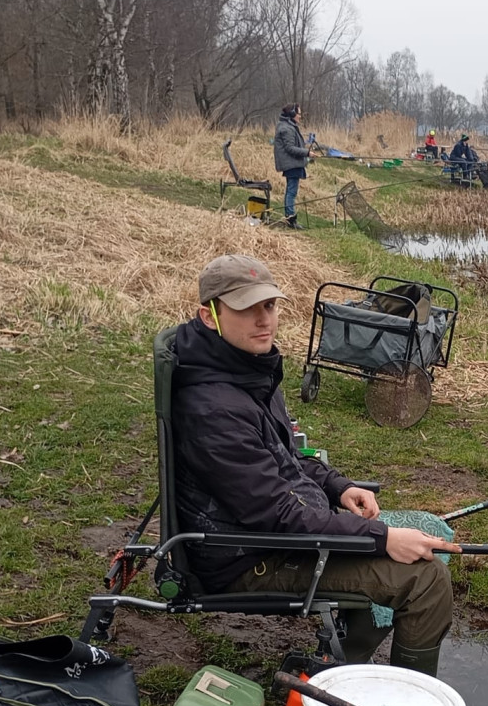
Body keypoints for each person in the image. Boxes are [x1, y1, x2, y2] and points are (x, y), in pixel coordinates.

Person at [170, 254, 461, 676]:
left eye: (269, 305)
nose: (264, 320)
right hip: (246, 557)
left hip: (269, 534)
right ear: (209, 316)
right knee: (426, 580)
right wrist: (382, 538)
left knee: (412, 548)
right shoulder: (214, 408)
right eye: (246, 309)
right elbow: (279, 515)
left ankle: (346, 669)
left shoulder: (243, 368)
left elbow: (285, 455)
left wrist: (339, 486)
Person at [273, 104, 317, 229]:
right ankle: (290, 219)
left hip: (293, 163)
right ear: (292, 114)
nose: (300, 116)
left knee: (291, 191)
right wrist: (307, 153)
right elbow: (290, 148)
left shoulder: (288, 126)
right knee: (291, 192)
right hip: (291, 164)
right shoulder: (287, 128)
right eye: (299, 114)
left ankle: (290, 217)